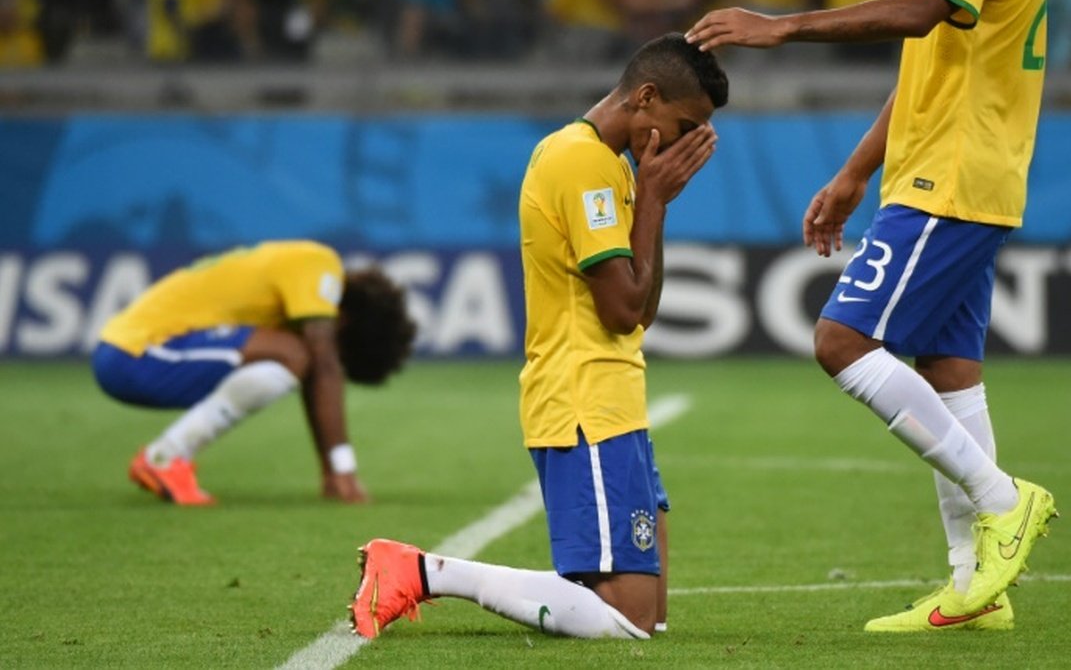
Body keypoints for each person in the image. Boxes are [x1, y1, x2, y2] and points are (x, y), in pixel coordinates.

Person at [685, 0, 1057, 632]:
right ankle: (974, 589)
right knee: (947, 370)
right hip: (938, 167)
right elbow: (933, 53)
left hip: (954, 173)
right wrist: (855, 172)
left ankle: (1004, 502)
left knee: (841, 339)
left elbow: (922, 14)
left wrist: (784, 26)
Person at [350, 32, 728, 640]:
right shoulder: (581, 163)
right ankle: (422, 571)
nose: (684, 143)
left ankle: (426, 571)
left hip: (613, 399)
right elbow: (621, 310)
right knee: (628, 619)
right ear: (647, 96)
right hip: (584, 401)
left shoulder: (610, 167)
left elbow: (641, 309)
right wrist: (653, 203)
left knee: (648, 617)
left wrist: (654, 202)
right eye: (684, 124)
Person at [91, 240, 415, 505]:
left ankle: (168, 457)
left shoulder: (293, 281)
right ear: (345, 323)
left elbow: (319, 369)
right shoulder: (319, 264)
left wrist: (332, 472)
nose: (333, 358)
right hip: (135, 354)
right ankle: (164, 457)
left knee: (294, 355)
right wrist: (345, 471)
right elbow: (324, 363)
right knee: (294, 353)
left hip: (128, 353)